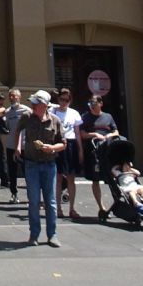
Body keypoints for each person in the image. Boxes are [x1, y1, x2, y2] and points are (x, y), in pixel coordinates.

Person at [15, 90, 65, 247]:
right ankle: (34, 234)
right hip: (31, 164)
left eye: (35, 103)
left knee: (50, 202)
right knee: (34, 201)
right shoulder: (27, 117)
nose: (32, 105)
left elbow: (63, 143)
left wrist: (52, 148)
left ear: (44, 105)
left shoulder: (55, 121)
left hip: (49, 165)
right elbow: (17, 131)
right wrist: (17, 147)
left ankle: (52, 235)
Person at [78, 94, 119, 214]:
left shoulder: (108, 116)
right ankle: (101, 207)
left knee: (113, 177)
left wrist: (109, 136)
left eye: (94, 103)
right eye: (90, 103)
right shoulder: (86, 117)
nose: (92, 105)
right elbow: (82, 134)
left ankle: (118, 201)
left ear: (101, 104)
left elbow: (115, 131)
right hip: (94, 151)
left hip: (108, 150)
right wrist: (95, 135)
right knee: (95, 179)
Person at [52, 88, 84, 220]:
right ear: (58, 99)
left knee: (71, 177)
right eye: (61, 99)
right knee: (59, 177)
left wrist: (80, 149)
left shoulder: (74, 113)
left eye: (67, 100)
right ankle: (58, 208)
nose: (64, 102)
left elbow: (77, 133)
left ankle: (72, 208)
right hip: (58, 144)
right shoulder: (52, 112)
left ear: (70, 100)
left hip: (71, 145)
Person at [2, 88, 30, 201]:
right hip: (10, 146)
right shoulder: (8, 112)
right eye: (10, 96)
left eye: (14, 96)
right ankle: (14, 194)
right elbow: (7, 128)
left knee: (27, 171)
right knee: (12, 171)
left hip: (24, 146)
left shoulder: (27, 111)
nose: (12, 98)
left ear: (19, 97)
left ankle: (31, 195)